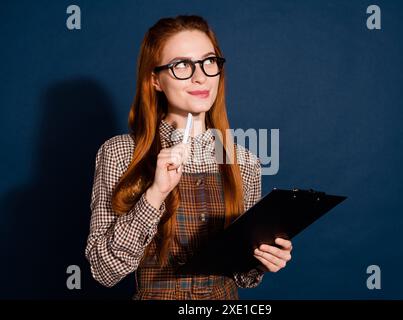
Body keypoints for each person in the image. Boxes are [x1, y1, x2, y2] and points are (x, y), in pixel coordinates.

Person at [85, 15, 293, 300]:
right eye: (181, 65)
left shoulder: (244, 162)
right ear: (155, 80)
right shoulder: (121, 152)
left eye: (209, 61)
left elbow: (243, 277)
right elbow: (103, 270)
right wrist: (155, 194)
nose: (200, 76)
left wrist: (263, 258)